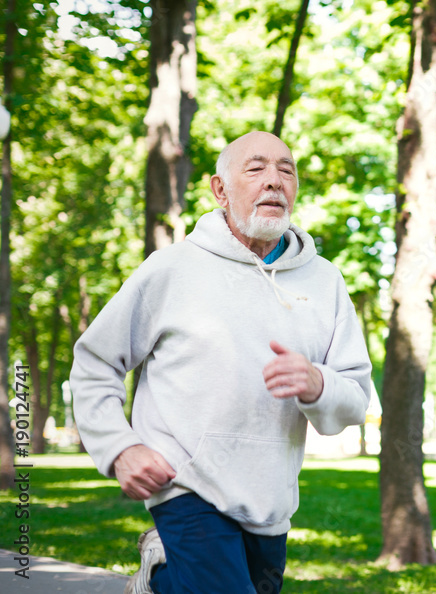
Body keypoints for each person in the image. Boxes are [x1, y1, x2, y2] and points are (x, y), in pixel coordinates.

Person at [69, 131, 373, 594]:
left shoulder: (326, 281)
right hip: (186, 483)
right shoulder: (171, 268)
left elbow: (354, 398)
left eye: (286, 170)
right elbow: (95, 362)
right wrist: (119, 447)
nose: (274, 181)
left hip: (271, 501)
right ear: (219, 189)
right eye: (256, 169)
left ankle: (159, 581)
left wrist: (317, 384)